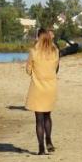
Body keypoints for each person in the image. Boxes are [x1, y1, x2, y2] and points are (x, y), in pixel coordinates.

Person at [25, 27, 60, 155]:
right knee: (47, 116)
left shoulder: (33, 51)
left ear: (39, 37)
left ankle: (41, 148)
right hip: (51, 87)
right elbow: (56, 68)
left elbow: (28, 70)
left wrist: (34, 71)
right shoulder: (55, 51)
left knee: (39, 119)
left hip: (38, 88)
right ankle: (49, 140)